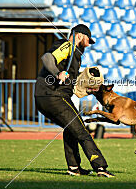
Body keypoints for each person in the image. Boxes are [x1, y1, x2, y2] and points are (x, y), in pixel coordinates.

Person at [34, 24, 114, 178]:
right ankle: (101, 168)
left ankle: (73, 167)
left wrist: (89, 89)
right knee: (82, 131)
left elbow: (72, 80)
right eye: (88, 39)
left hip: (48, 96)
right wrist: (58, 73)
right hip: (53, 96)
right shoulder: (68, 45)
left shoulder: (75, 53)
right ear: (79, 35)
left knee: (71, 129)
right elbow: (47, 57)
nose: (89, 43)